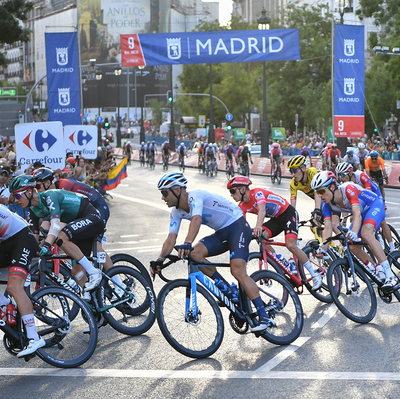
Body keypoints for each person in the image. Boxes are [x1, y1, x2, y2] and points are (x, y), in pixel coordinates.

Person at [150, 172, 273, 332]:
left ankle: (264, 317)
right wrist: (160, 259)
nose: (163, 197)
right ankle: (227, 289)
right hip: (222, 233)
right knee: (195, 254)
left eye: (165, 193)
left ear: (177, 190)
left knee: (237, 270)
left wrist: (187, 242)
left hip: (238, 227)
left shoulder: (195, 196)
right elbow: (171, 239)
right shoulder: (176, 212)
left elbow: (197, 220)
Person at [9, 175, 105, 295]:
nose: (16, 200)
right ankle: (91, 300)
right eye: (13, 197)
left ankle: (94, 272)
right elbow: (34, 237)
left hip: (92, 217)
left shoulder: (50, 196)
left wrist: (47, 244)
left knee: (61, 238)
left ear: (29, 192)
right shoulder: (32, 210)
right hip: (77, 227)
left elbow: (55, 226)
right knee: (77, 271)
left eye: (17, 195)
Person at [227, 176, 322, 290]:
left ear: (242, 189)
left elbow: (262, 210)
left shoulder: (257, 193)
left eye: (233, 191)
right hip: (276, 219)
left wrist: (258, 226)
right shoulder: (242, 206)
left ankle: (315, 275)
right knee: (260, 237)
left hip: (288, 213)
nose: (231, 194)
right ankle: (281, 260)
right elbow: (241, 225)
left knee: (290, 244)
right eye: (230, 192)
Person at [311, 171, 397, 289]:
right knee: (352, 246)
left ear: (331, 186)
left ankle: (390, 275)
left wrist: (354, 233)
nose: (320, 196)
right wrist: (323, 249)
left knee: (366, 234)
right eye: (317, 193)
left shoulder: (348, 189)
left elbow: (356, 215)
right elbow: (327, 228)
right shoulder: (326, 205)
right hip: (363, 212)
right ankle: (377, 268)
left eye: (321, 191)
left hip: (374, 205)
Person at [0, 206, 44, 357]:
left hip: (22, 239)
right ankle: (6, 305)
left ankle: (33, 337)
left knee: (14, 287)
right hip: (7, 242)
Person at [336, 162, 395, 251]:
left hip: (374, 195)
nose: (341, 178)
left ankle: (392, 247)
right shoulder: (343, 185)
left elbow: (369, 193)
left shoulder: (361, 176)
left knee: (382, 222)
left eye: (343, 175)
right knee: (354, 219)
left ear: (350, 173)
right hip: (362, 199)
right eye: (339, 175)